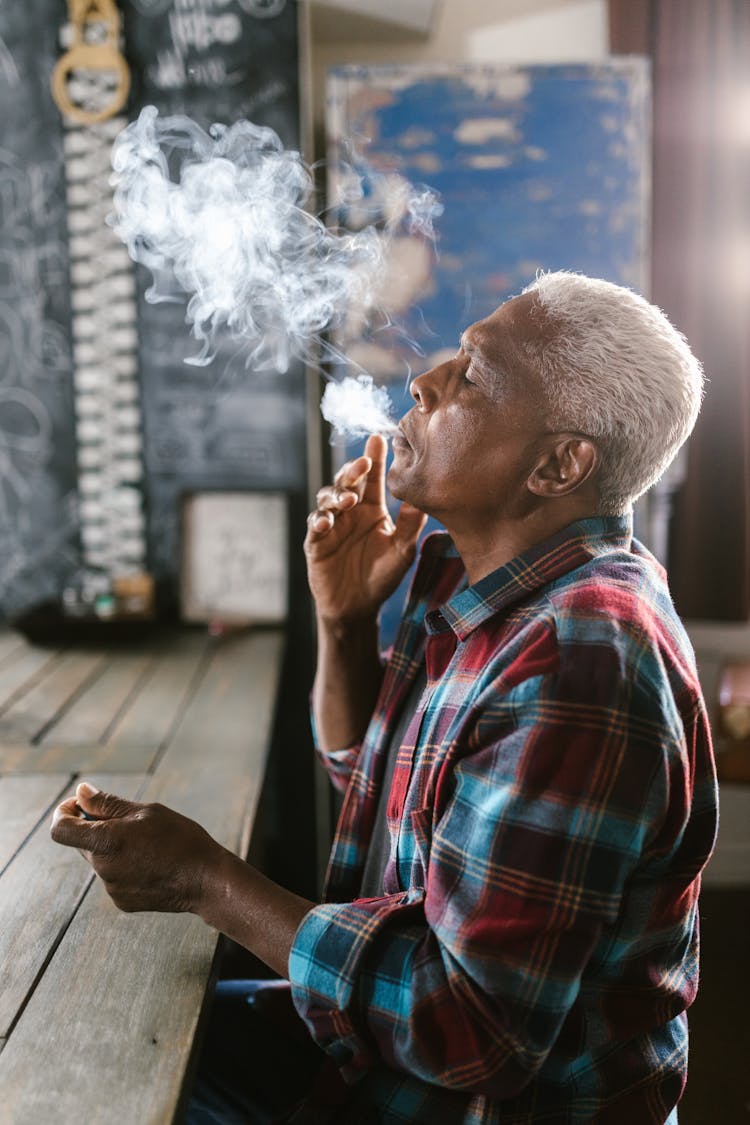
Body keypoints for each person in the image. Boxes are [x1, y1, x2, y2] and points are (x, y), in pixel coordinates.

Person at [51, 271, 717, 1124]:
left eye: (472, 375)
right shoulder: (486, 587)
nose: (424, 381)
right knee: (114, 1036)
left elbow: (468, 1029)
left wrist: (202, 879)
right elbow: (377, 792)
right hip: (384, 1065)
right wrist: (343, 623)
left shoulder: (578, 652)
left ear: (559, 464)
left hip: (459, 1098)